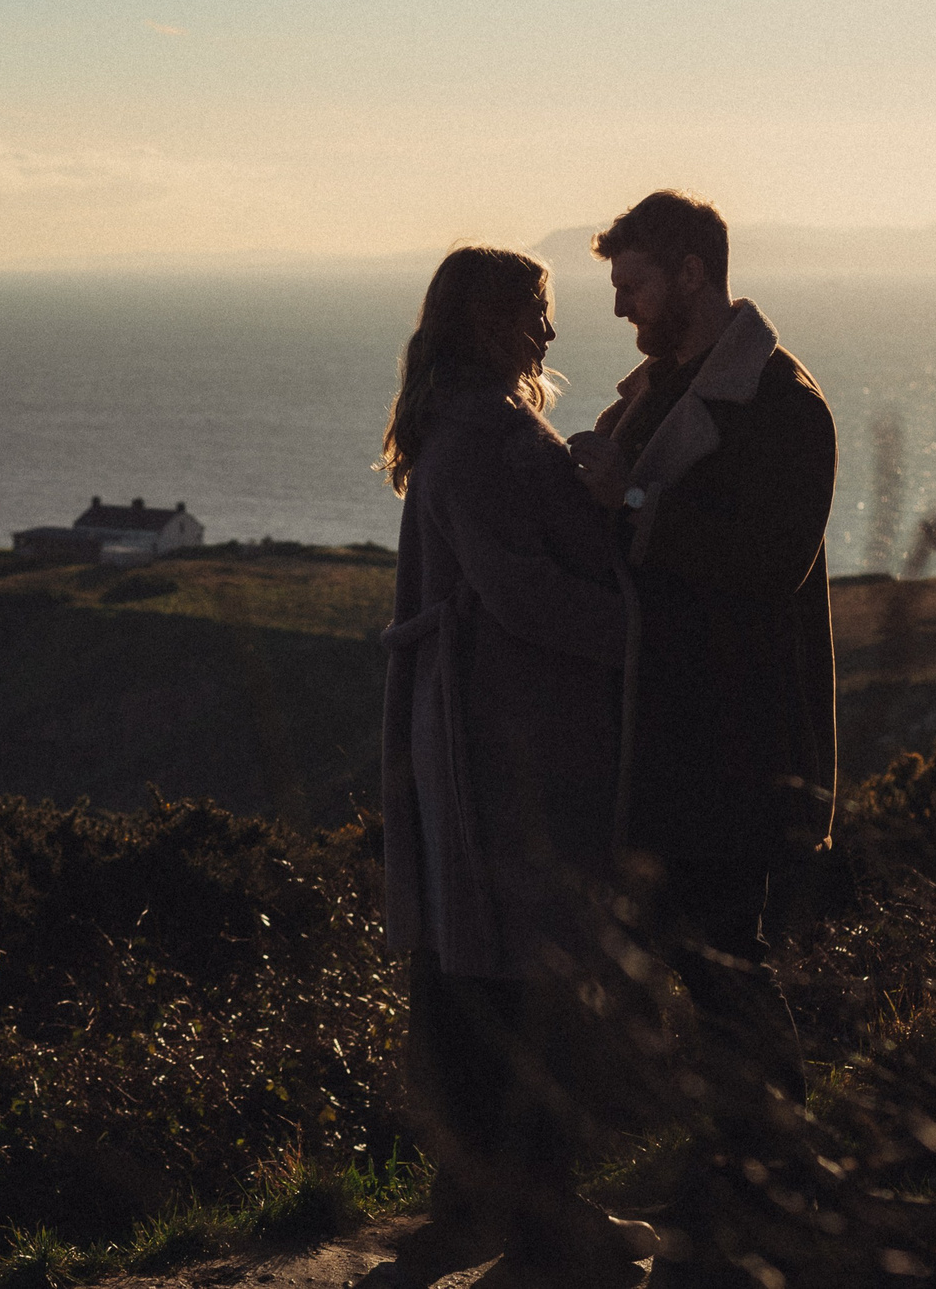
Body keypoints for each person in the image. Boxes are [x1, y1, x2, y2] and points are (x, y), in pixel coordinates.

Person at [371, 244, 655, 1289]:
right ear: (492, 323)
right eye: (536, 311)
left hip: (490, 743)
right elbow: (523, 594)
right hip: (507, 752)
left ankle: (487, 1204)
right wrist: (648, 636)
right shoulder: (484, 443)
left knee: (477, 978)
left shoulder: (469, 433)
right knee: (530, 982)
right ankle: (543, 1222)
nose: (550, 332)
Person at [564, 190, 837, 1128]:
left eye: (631, 283)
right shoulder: (660, 392)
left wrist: (628, 506)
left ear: (692, 272)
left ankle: (773, 1172)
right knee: (684, 956)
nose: (618, 307)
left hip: (735, 736)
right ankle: (742, 1166)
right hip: (655, 730)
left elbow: (770, 564)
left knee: (722, 956)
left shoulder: (783, 404)